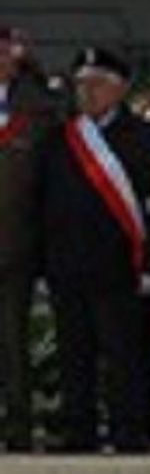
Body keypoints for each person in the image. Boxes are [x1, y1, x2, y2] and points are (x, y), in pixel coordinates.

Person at [38, 47, 150, 452]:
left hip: (118, 264)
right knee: (74, 353)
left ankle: (128, 429)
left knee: (122, 352)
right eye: (80, 85)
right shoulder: (60, 138)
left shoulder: (143, 138)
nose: (86, 94)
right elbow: (44, 201)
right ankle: (80, 429)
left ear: (119, 88)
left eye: (96, 84)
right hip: (67, 262)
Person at [0, 27, 54, 452]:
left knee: (13, 340)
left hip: (16, 245)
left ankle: (18, 426)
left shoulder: (37, 109)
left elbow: (49, 184)